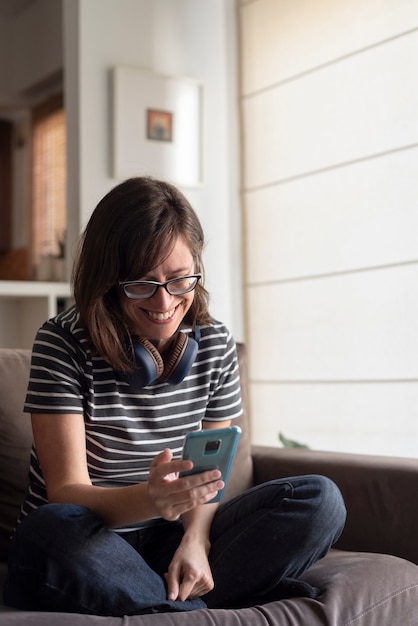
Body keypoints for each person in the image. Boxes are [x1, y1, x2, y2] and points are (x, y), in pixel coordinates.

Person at [4, 177, 346, 616]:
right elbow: (66, 493)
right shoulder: (62, 343)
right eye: (142, 284)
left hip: (168, 544)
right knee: (50, 529)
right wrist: (151, 498)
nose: (164, 301)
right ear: (109, 281)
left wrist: (195, 540)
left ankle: (165, 604)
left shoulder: (215, 343)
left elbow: (208, 479)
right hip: (89, 540)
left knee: (320, 501)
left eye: (180, 279)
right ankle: (201, 612)